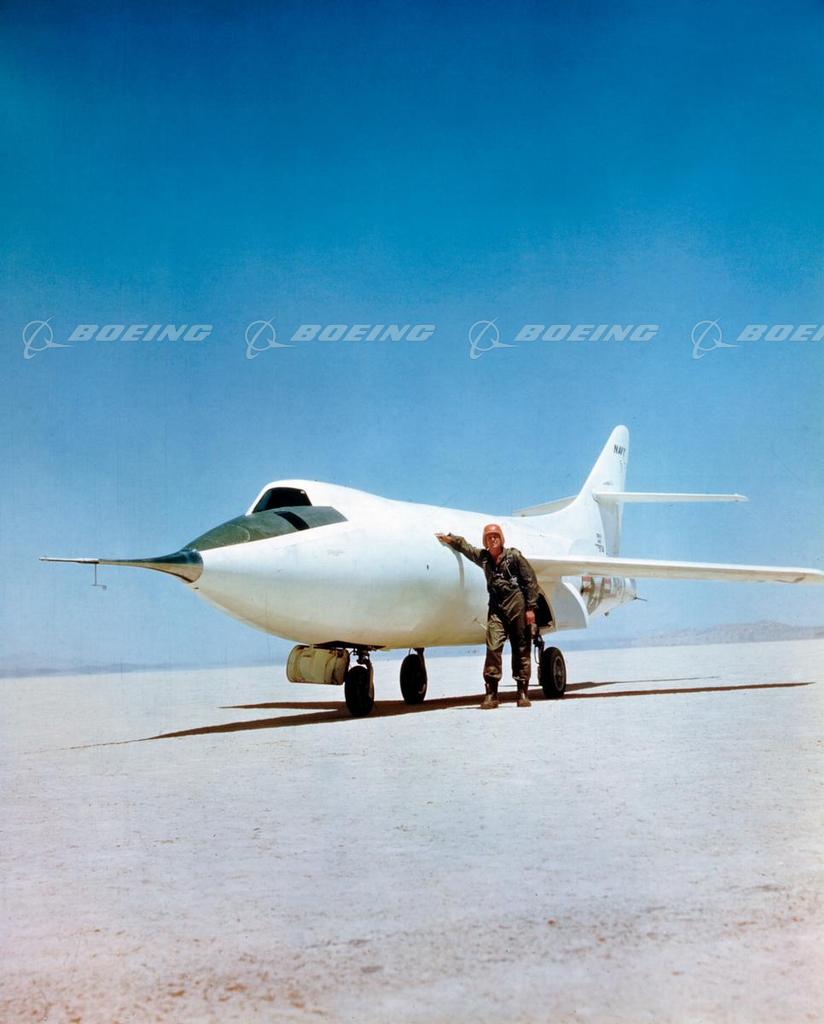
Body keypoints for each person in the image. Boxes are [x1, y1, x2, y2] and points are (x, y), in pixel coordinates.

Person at [435, 524, 540, 709]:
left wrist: (530, 608)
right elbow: (467, 548)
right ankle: (492, 694)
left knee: (521, 648)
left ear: (501, 538)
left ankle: (522, 692)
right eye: (489, 537)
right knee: (493, 647)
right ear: (485, 541)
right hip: (496, 608)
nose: (493, 539)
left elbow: (530, 580)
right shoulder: (483, 558)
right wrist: (451, 539)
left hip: (517, 606)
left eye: (495, 536)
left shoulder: (514, 556)